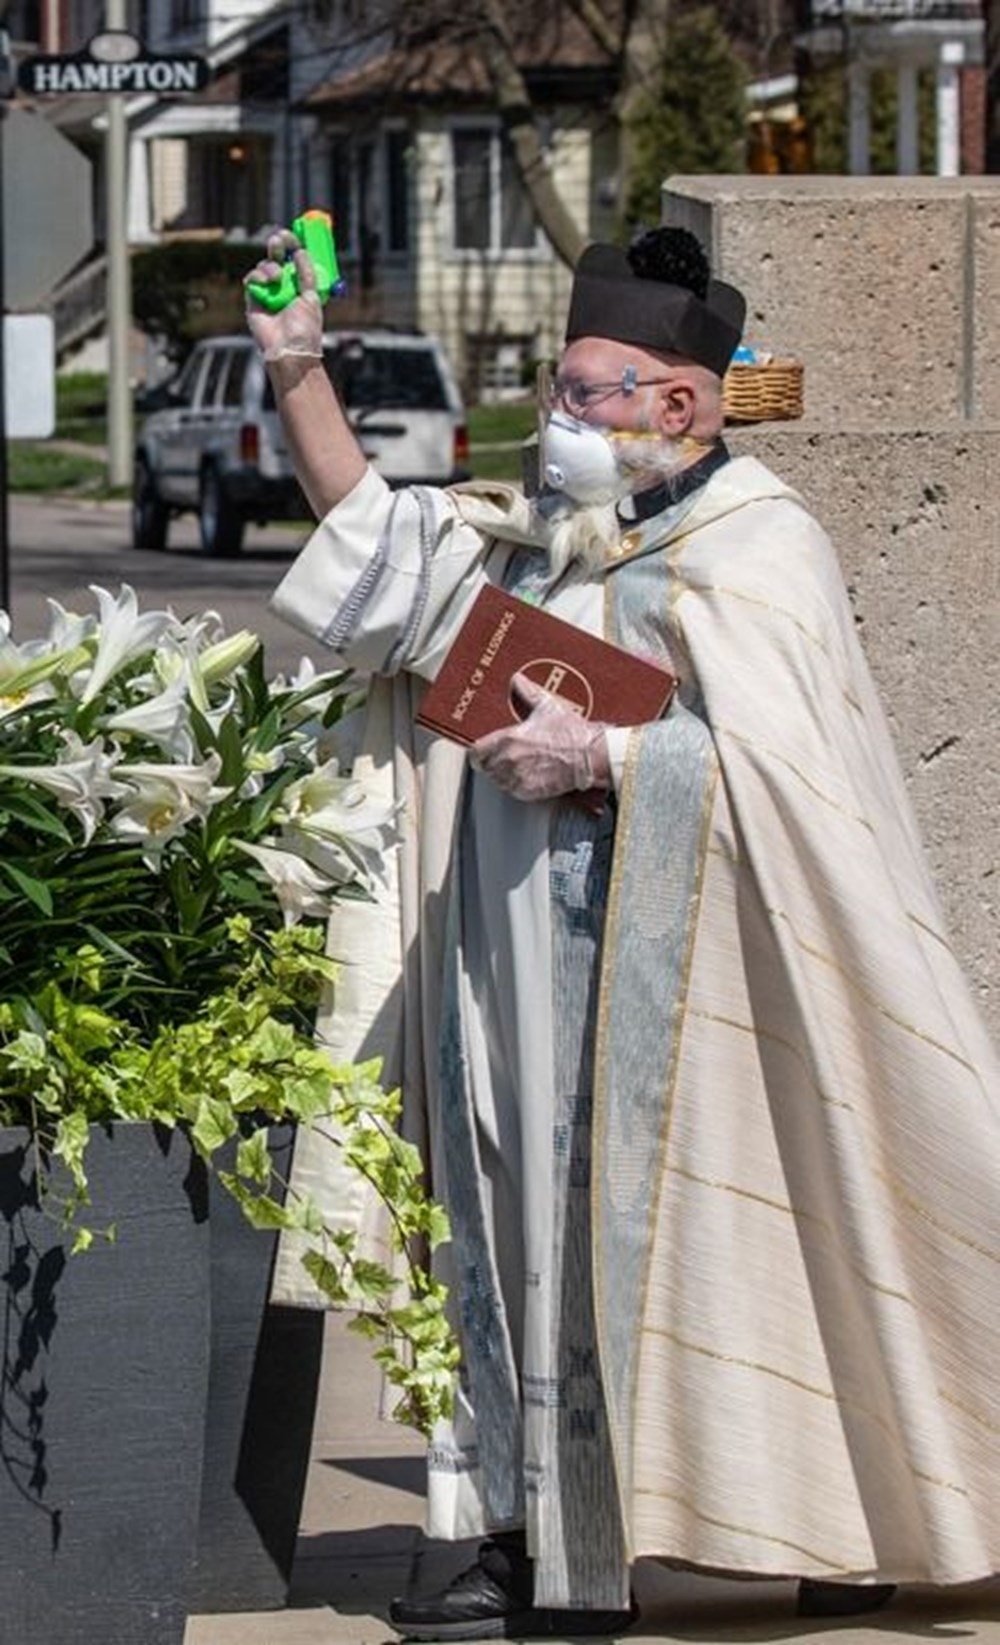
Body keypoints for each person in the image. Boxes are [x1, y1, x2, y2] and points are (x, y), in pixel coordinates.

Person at [245, 224, 1000, 1642]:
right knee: (510, 1243)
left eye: (586, 394)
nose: (556, 417)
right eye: (552, 388)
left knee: (754, 1247)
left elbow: (800, 784)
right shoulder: (536, 533)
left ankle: (825, 1516)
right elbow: (374, 548)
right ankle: (517, 1537)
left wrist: (611, 758)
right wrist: (296, 366)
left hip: (702, 1000)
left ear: (680, 405)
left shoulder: (763, 543)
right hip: (509, 978)